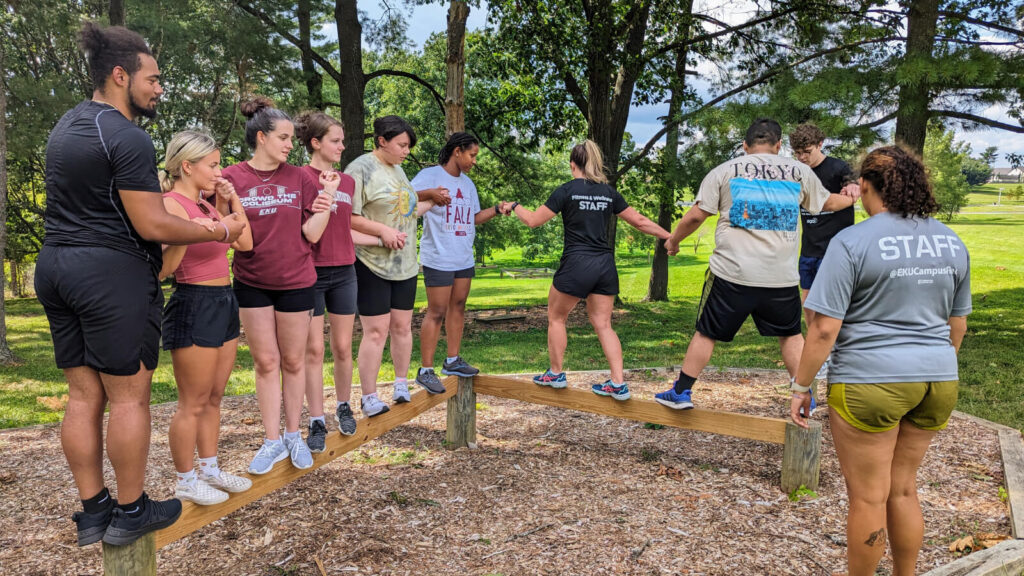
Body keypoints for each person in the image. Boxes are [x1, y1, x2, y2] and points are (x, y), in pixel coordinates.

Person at [35, 22, 245, 546]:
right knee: (129, 399)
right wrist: (218, 229)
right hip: (111, 276)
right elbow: (152, 223)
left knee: (83, 396)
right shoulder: (126, 135)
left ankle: (93, 511)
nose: (159, 88)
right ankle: (131, 510)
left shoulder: (65, 127)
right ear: (119, 75)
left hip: (56, 267)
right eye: (152, 79)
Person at [790, 146, 971, 576]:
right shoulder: (951, 240)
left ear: (868, 186)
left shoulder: (852, 241)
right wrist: (931, 365)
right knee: (903, 490)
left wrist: (801, 387)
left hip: (868, 382)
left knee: (869, 497)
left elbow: (823, 329)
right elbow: (957, 326)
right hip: (938, 381)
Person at [656, 118, 855, 410]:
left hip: (732, 273)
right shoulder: (799, 171)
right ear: (778, 145)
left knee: (707, 332)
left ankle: (682, 392)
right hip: (781, 276)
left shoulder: (724, 170)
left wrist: (674, 241)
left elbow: (697, 215)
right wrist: (853, 197)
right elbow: (827, 203)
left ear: (745, 145)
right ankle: (805, 397)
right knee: (790, 335)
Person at [221, 97, 337, 475]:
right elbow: (223, 227)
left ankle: (293, 435)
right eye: (283, 138)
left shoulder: (300, 177)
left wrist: (327, 200)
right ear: (261, 137)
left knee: (293, 360)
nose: (290, 144)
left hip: (297, 282)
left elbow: (312, 234)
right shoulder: (232, 177)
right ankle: (271, 440)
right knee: (266, 362)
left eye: (291, 138)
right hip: (252, 282)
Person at [506, 140, 670, 399]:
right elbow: (639, 221)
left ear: (573, 165)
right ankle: (618, 383)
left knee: (557, 317)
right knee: (603, 324)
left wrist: (514, 206)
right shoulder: (608, 193)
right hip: (604, 265)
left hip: (577, 264)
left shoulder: (566, 190)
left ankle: (556, 373)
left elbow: (533, 220)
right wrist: (669, 237)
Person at [158, 131, 255, 505]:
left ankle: (210, 469)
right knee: (193, 401)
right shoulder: (172, 205)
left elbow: (244, 242)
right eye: (213, 165)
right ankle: (185, 480)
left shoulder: (206, 205)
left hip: (223, 300)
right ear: (187, 166)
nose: (219, 172)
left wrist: (232, 200)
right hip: (193, 302)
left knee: (214, 396)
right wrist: (189, 235)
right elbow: (164, 269)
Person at [293, 111, 381, 446]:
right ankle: (316, 420)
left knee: (343, 346)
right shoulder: (299, 178)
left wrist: (379, 239)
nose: (342, 147)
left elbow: (345, 229)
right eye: (335, 141)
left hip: (345, 272)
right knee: (313, 350)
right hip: (310, 273)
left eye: (342, 140)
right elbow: (306, 231)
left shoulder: (347, 182)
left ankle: (344, 405)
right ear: (315, 143)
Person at [345, 116, 440, 412]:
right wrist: (382, 233)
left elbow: (405, 212)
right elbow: (348, 217)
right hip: (371, 263)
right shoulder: (360, 169)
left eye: (409, 146)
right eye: (402, 145)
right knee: (376, 331)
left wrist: (432, 202)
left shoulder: (398, 170)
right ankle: (369, 397)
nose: (406, 151)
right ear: (382, 141)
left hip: (405, 264)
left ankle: (401, 384)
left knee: (402, 327)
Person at [413, 132, 506, 393]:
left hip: (463, 256)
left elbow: (473, 217)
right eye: (471, 155)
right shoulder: (431, 175)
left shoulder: (468, 184)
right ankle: (426, 370)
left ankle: (452, 360)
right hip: (438, 257)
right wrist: (430, 194)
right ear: (457, 151)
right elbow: (404, 197)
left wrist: (496, 210)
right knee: (436, 311)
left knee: (458, 306)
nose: (474, 161)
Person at [790, 123, 861, 379]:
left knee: (835, 307)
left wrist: (853, 187)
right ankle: (820, 355)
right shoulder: (797, 172)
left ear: (820, 144)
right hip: (809, 248)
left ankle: (841, 354)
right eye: (797, 153)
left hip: (836, 250)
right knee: (808, 305)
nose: (802, 158)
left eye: (807, 152)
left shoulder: (838, 168)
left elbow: (853, 182)